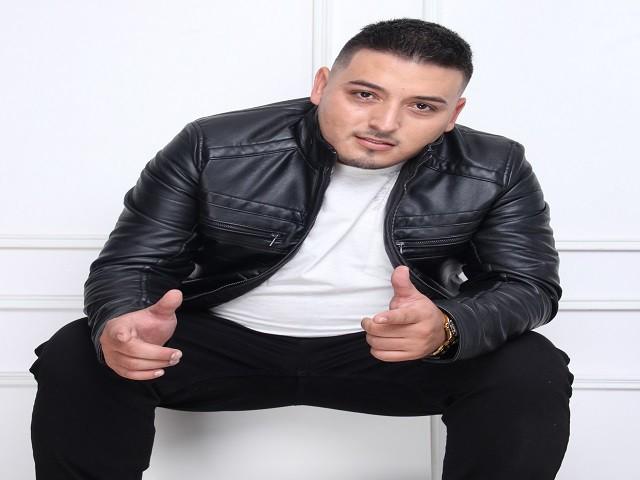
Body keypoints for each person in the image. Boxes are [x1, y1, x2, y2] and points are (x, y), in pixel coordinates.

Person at [30, 18, 572, 479]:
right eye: (364, 94)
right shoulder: (213, 145)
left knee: (530, 367)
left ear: (453, 114)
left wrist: (448, 327)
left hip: (391, 351)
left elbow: (528, 284)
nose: (385, 123)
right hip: (228, 341)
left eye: (423, 106)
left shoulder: (495, 166)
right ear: (322, 85)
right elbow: (135, 261)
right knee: (80, 351)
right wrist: (123, 320)